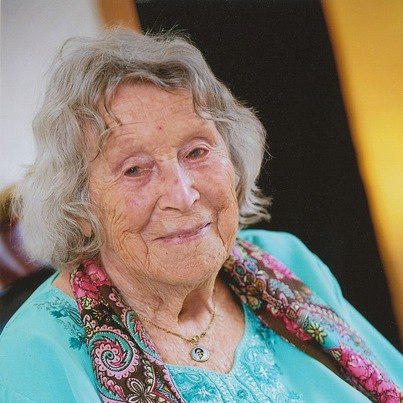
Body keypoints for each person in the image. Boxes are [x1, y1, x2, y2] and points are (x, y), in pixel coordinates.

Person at [0, 28, 401, 403]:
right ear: (79, 206)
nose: (183, 195)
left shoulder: (287, 262)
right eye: (134, 169)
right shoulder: (36, 355)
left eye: (196, 151)